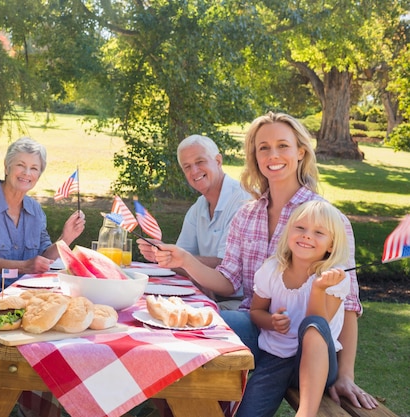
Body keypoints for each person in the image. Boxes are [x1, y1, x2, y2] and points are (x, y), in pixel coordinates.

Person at [153, 112, 378, 410]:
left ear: (300, 151)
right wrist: (185, 260)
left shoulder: (326, 219)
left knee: (211, 328)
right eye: (263, 147)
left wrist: (346, 375)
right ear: (255, 156)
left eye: (282, 146)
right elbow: (228, 281)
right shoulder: (246, 215)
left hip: (310, 352)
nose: (273, 155)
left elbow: (349, 305)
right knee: (189, 333)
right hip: (261, 334)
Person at [236, 200, 351, 417]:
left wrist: (318, 289)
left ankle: (305, 413)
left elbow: (319, 326)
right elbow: (256, 312)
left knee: (312, 324)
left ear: (331, 246)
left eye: (319, 232)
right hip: (276, 358)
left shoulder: (336, 277)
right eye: (300, 228)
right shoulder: (272, 269)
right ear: (288, 233)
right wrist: (271, 321)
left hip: (320, 366)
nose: (307, 235)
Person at [0, 136, 86, 299]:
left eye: (34, 168)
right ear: (6, 167)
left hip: (28, 295)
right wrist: (24, 267)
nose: (26, 173)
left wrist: (65, 238)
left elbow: (43, 259)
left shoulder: (35, 209)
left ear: (39, 174)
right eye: (20, 165)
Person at [137, 134, 251, 308]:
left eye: (200, 162)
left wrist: (176, 257)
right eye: (187, 167)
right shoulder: (199, 207)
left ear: (218, 161)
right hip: (208, 295)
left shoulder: (242, 201)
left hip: (238, 304)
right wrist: (162, 254)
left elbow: (224, 264)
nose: (194, 171)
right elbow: (182, 260)